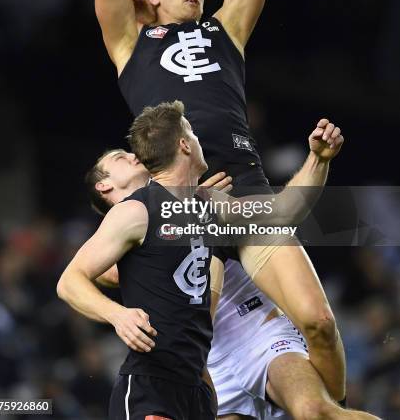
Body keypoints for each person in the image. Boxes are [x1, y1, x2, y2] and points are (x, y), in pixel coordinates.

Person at [92, 0, 347, 412]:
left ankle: (321, 410)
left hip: (247, 194)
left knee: (319, 322)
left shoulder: (224, 32)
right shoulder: (131, 43)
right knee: (196, 355)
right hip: (183, 206)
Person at [57, 102, 349, 420]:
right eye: (120, 158)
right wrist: (117, 314)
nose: (132, 155)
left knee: (315, 410)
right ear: (105, 186)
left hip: (251, 335)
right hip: (196, 367)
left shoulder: (204, 200)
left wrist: (318, 160)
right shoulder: (127, 223)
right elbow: (88, 277)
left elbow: (281, 212)